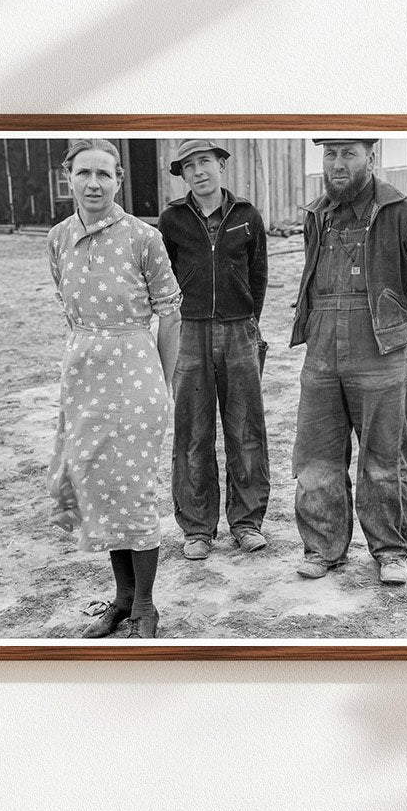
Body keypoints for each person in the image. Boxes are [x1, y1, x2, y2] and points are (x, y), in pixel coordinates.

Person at [289, 138, 407, 585]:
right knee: (316, 457)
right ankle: (322, 549)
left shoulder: (402, 213)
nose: (338, 164)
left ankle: (390, 551)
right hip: (321, 351)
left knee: (383, 459)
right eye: (330, 154)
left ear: (371, 159)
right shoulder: (317, 215)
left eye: (349, 154)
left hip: (381, 353)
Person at [47, 138, 182, 639]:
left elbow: (171, 314)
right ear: (68, 177)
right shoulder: (58, 238)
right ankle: (123, 599)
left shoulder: (144, 238)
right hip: (83, 375)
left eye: (104, 174)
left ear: (119, 180)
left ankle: (146, 605)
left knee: (134, 487)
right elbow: (69, 308)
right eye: (84, 173)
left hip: (135, 372)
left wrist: (161, 382)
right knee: (100, 486)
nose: (93, 183)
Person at [157, 139, 270, 561]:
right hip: (189, 332)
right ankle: (197, 528)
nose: (198, 172)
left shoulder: (247, 215)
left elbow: (258, 274)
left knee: (246, 428)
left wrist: (247, 319)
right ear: (183, 176)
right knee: (192, 430)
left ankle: (247, 523)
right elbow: (164, 276)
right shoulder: (171, 219)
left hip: (239, 331)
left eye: (205, 162)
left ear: (221, 164)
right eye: (188, 167)